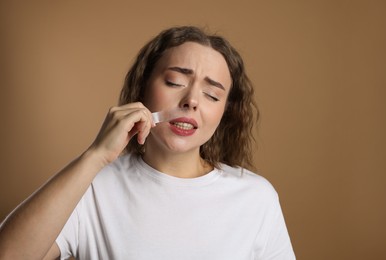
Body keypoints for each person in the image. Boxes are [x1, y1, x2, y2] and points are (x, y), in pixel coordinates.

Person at [0, 26, 295, 259]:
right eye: (175, 82)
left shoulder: (256, 199)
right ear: (142, 88)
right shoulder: (92, 187)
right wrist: (94, 156)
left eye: (212, 95)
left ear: (224, 113)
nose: (191, 101)